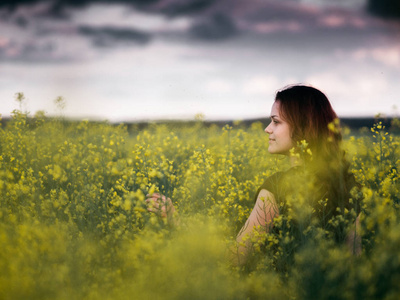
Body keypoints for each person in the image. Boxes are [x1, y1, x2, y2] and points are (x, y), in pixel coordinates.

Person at [146, 84, 362, 268]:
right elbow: (354, 263)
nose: (268, 129)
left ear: (304, 128)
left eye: (276, 122)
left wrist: (176, 221)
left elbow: (235, 258)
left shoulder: (279, 186)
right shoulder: (348, 183)